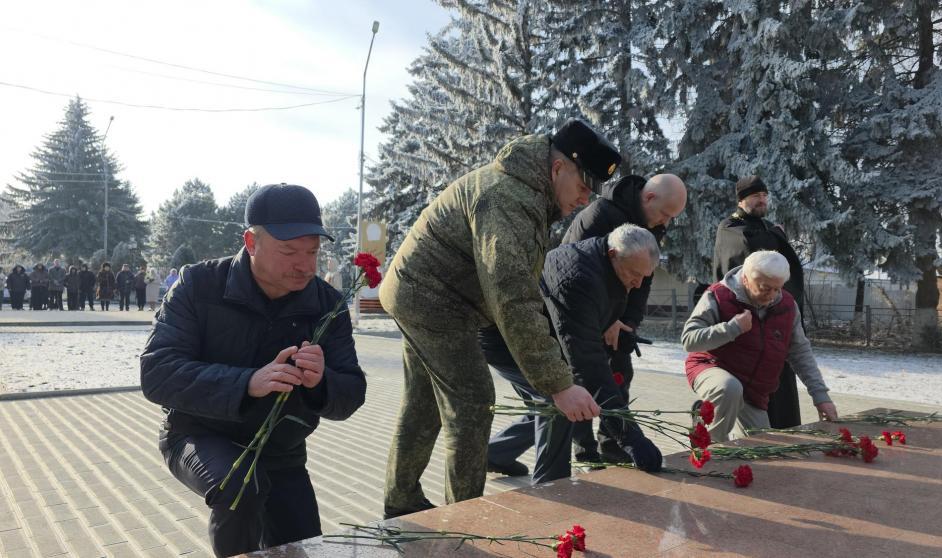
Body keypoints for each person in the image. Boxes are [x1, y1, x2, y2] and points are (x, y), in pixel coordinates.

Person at [378, 119, 620, 518]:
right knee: (473, 403)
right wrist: (558, 385)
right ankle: (465, 521)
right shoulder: (508, 198)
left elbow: (518, 287)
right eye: (582, 187)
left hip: (422, 294)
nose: (584, 201)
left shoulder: (527, 192)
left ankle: (401, 502)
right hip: (433, 301)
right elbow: (511, 294)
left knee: (422, 405)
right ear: (558, 168)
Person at [141, 183, 367, 557]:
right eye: (290, 251)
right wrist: (246, 383)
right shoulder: (198, 285)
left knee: (303, 547)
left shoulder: (326, 304)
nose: (305, 264)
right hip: (200, 433)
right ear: (251, 241)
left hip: (281, 450)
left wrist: (321, 384)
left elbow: (351, 393)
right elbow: (157, 373)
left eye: (312, 251)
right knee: (240, 490)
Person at [486, 225, 665, 484]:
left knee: (560, 401)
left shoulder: (610, 265)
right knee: (561, 399)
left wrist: (613, 325)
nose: (638, 284)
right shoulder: (577, 277)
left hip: (544, 338)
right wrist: (631, 437)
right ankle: (552, 490)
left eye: (645, 277)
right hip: (507, 339)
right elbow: (588, 364)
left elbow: (588, 320)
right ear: (613, 253)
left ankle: (495, 454)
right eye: (634, 275)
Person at [561, 173, 687, 465]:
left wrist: (628, 322)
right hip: (584, 317)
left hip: (617, 320)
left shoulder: (652, 226)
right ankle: (585, 449)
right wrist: (605, 321)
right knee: (585, 378)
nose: (666, 223)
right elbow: (574, 274)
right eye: (665, 214)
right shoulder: (601, 214)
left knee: (619, 378)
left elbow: (643, 280)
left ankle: (613, 443)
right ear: (649, 197)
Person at [682, 251, 838, 442]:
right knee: (729, 388)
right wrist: (732, 328)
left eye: (777, 289)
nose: (772, 296)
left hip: (754, 391)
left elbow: (800, 352)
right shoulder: (718, 296)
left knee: (760, 448)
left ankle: (708, 418)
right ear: (746, 279)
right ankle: (708, 447)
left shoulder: (787, 306)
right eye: (765, 288)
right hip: (710, 368)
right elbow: (689, 340)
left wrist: (820, 396)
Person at [712, 176, 806, 429]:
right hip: (747, 322)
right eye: (756, 196)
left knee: (781, 377)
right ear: (742, 200)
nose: (762, 200)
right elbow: (749, 257)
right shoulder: (729, 227)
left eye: (765, 195)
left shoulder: (765, 227)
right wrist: (776, 237)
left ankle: (784, 432)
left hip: (775, 320)